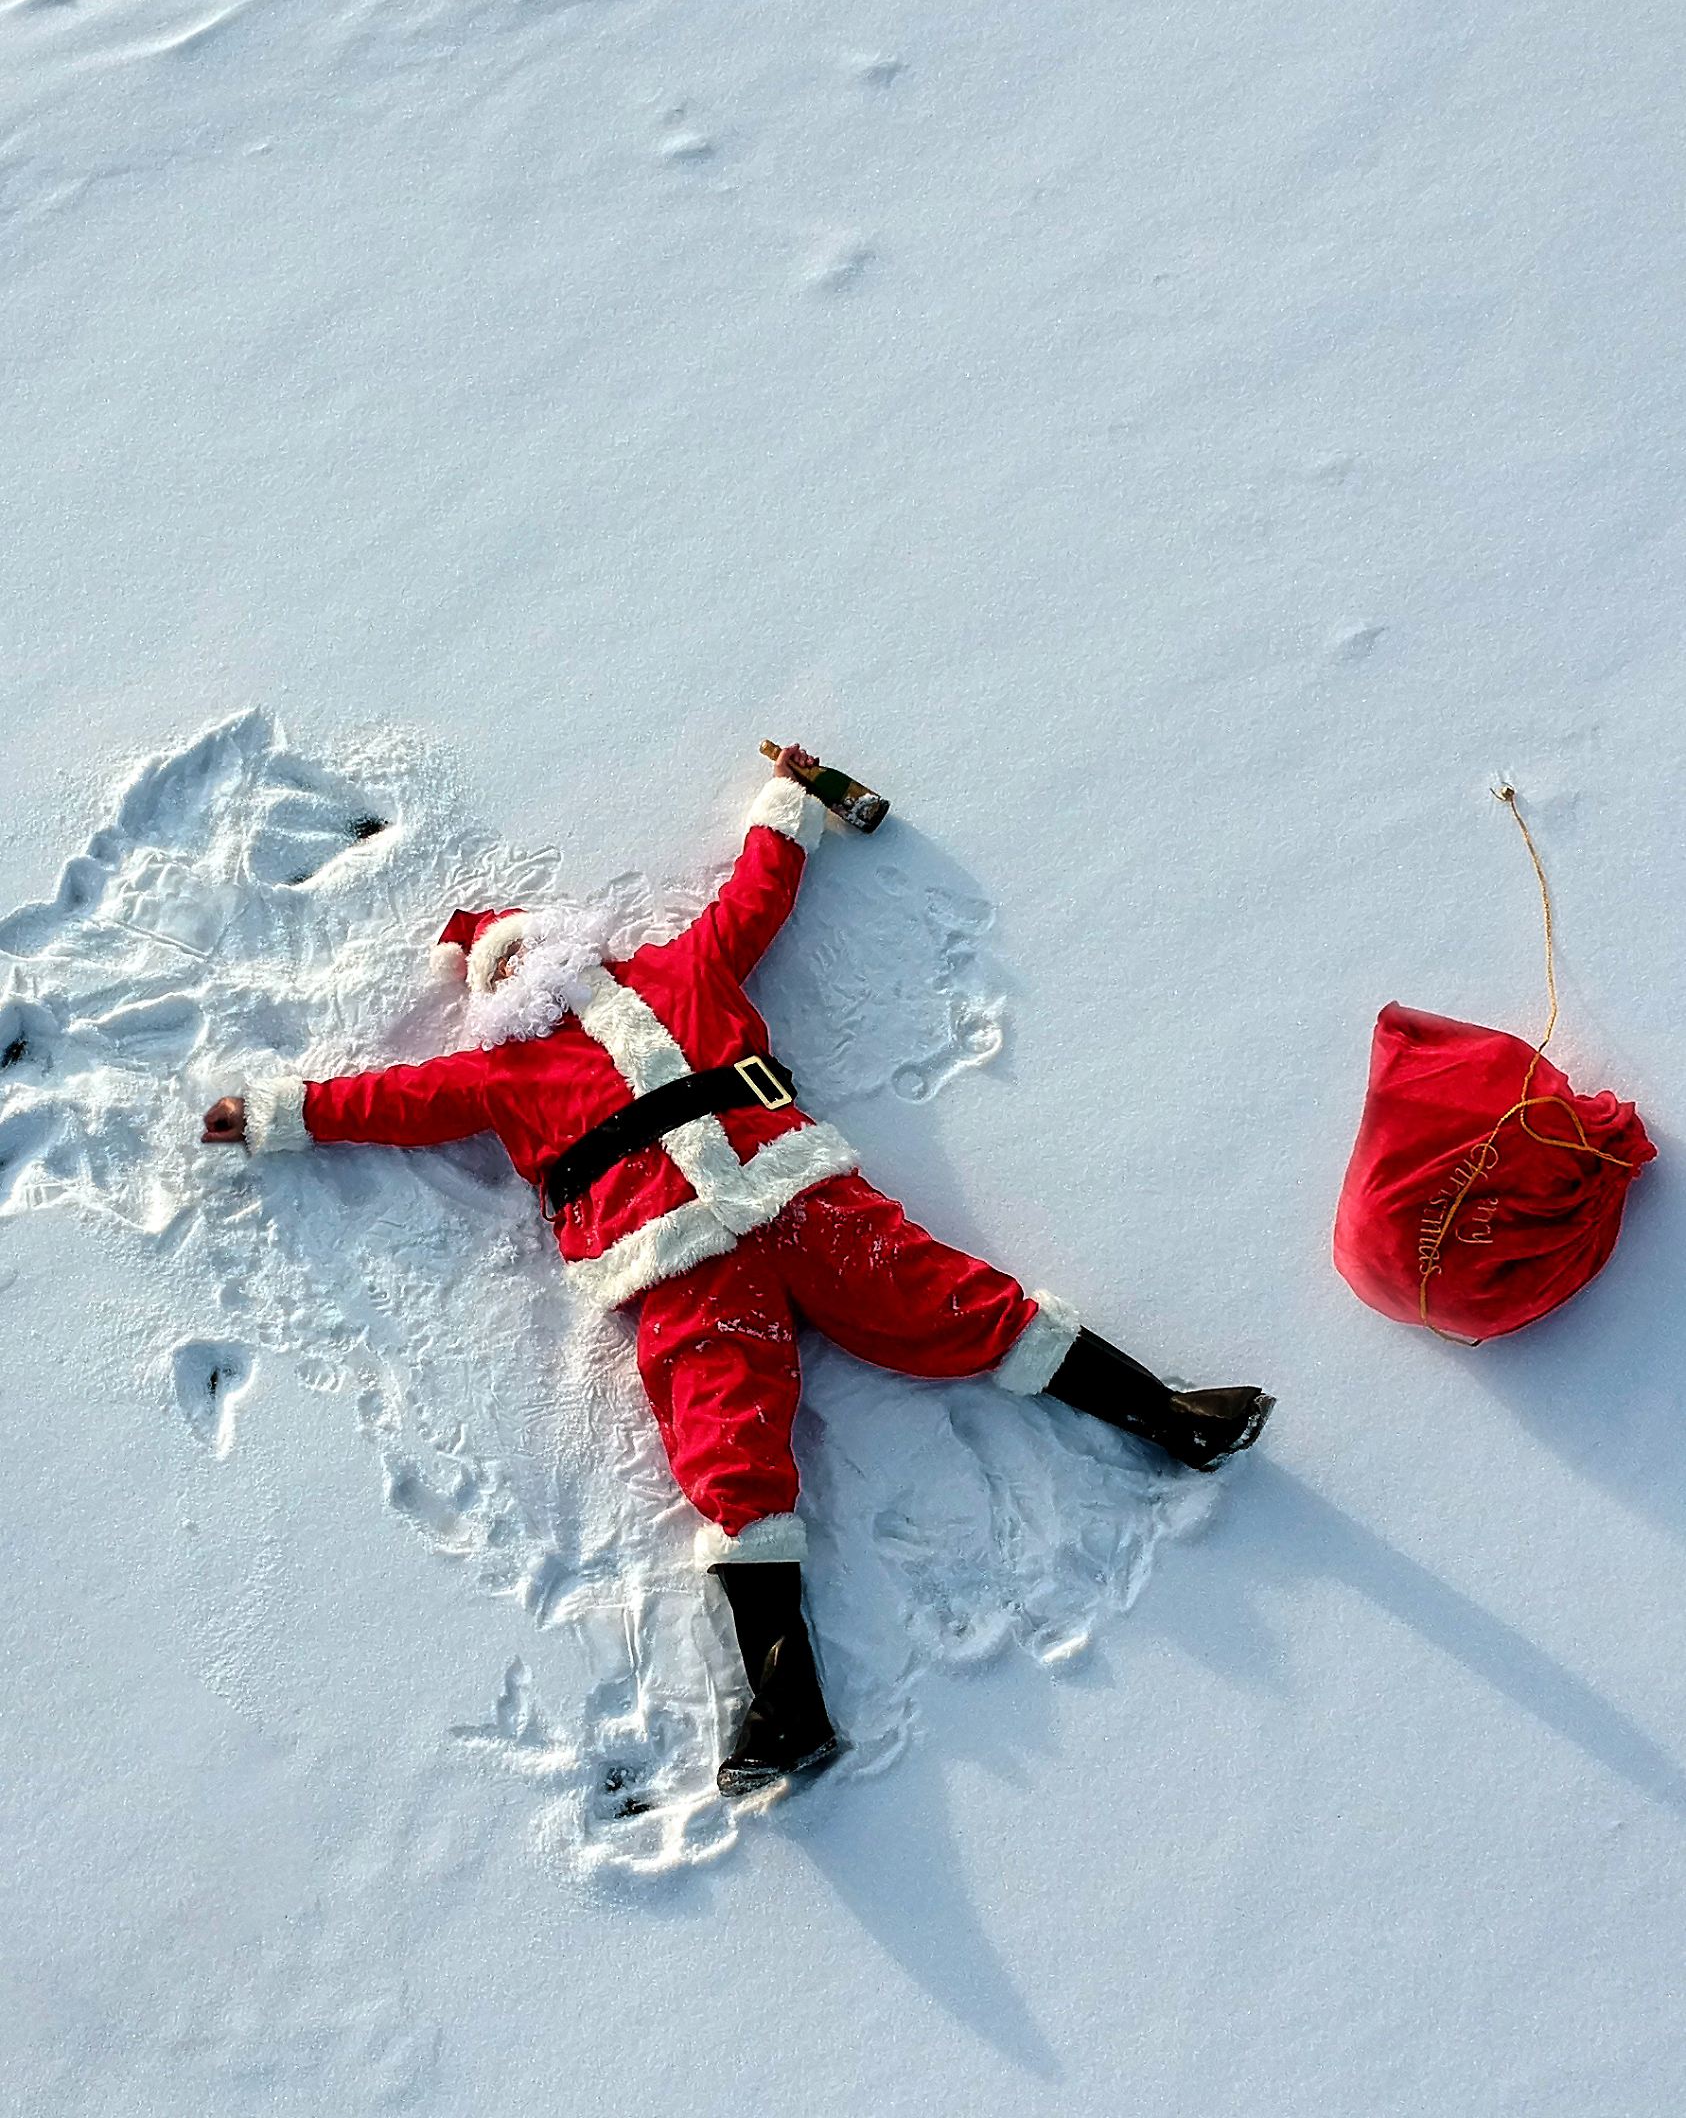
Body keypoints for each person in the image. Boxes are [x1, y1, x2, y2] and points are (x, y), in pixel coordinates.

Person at [202, 747, 1274, 1794]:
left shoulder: (681, 970)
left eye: (530, 952)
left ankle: (1173, 1415)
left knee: (949, 1299)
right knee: (726, 1439)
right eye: (505, 971)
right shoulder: (498, 1074)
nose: (527, 974)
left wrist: (788, 802)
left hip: (798, 1194)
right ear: (494, 1000)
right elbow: (388, 1101)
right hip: (675, 1258)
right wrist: (273, 1113)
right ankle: (785, 1700)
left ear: (572, 945)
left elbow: (753, 899)